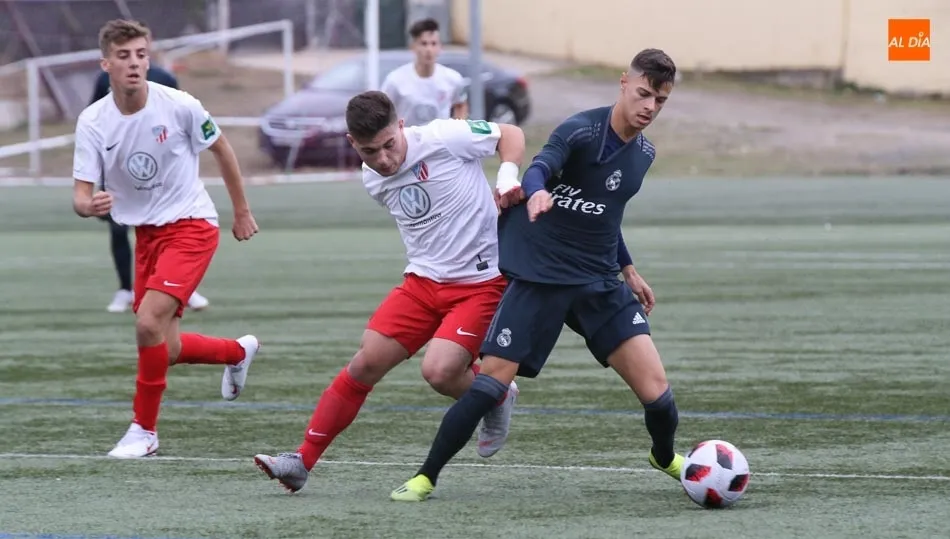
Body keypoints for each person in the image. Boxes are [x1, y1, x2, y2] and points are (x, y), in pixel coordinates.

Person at [390, 48, 685, 502]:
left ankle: (664, 458)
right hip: (540, 275)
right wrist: (536, 193)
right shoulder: (581, 130)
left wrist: (628, 269)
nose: (649, 107)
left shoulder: (643, 155)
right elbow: (540, 167)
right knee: (489, 387)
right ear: (624, 83)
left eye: (660, 101)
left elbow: (607, 216)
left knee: (660, 396)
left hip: (598, 281)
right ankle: (426, 477)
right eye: (643, 94)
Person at [253, 90, 525, 493]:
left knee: (439, 371)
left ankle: (496, 394)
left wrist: (506, 176)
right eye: (369, 151)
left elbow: (510, 133)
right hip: (421, 283)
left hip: (480, 284)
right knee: (365, 364)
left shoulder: (442, 136)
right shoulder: (372, 179)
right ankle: (301, 462)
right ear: (352, 143)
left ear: (401, 127)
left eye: (388, 145)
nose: (383, 159)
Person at [72, 19, 262, 458]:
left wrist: (242, 211)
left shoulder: (179, 105)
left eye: (141, 54)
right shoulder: (94, 122)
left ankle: (144, 431)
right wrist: (89, 205)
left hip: (192, 225)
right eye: (123, 56)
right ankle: (236, 352)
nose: (134, 63)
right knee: (167, 346)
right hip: (147, 235)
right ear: (106, 65)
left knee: (145, 324)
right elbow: (81, 194)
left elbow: (223, 150)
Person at [89, 61, 211, 314]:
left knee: (167, 229)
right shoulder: (105, 80)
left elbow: (182, 125)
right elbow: (95, 123)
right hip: (120, 170)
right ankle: (125, 289)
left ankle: (179, 288)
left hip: (161, 171)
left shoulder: (164, 78)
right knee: (119, 228)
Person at [380, 17, 468, 127]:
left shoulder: (453, 78)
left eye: (433, 44)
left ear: (440, 47)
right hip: (408, 141)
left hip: (439, 142)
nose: (429, 50)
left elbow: (460, 104)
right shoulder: (395, 80)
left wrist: (457, 131)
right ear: (413, 47)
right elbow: (382, 110)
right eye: (424, 44)